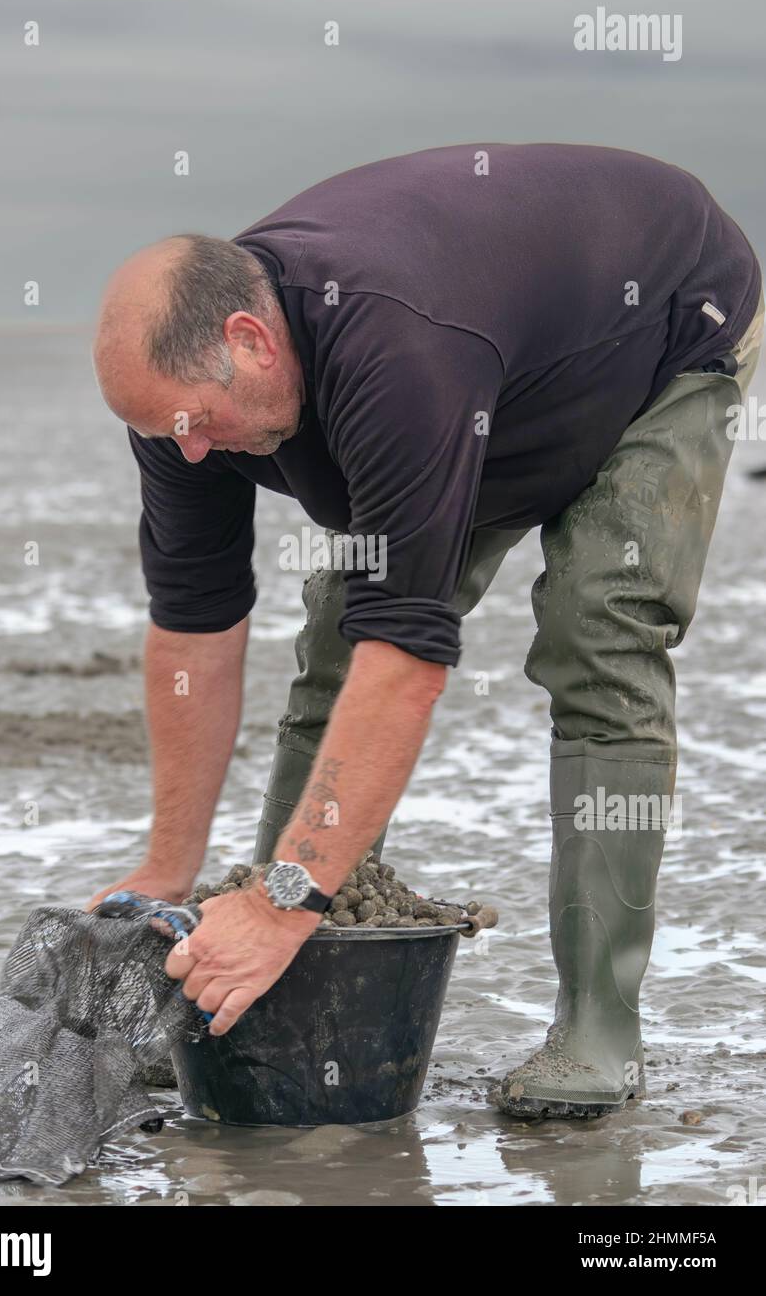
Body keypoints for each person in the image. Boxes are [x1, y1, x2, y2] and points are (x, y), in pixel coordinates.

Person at [90, 143, 762, 1118]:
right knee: (331, 642)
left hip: (657, 334)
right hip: (489, 379)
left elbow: (406, 663)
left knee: (596, 635)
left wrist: (281, 898)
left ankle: (596, 1027)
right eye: (162, 432)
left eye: (193, 421)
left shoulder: (396, 352)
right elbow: (194, 630)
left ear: (251, 339)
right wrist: (167, 863)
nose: (186, 450)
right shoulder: (178, 409)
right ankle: (274, 973)